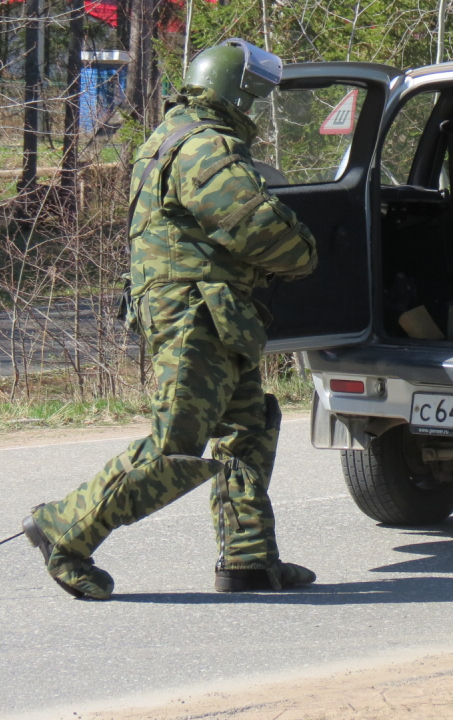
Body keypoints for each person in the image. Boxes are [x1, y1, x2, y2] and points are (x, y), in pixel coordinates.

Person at [21, 39, 319, 600]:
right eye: (253, 99)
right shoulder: (205, 148)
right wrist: (308, 251)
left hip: (219, 315)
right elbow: (260, 227)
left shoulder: (180, 134)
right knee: (176, 444)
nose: (255, 111)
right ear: (235, 96)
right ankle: (65, 529)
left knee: (247, 431)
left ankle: (250, 560)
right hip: (194, 316)